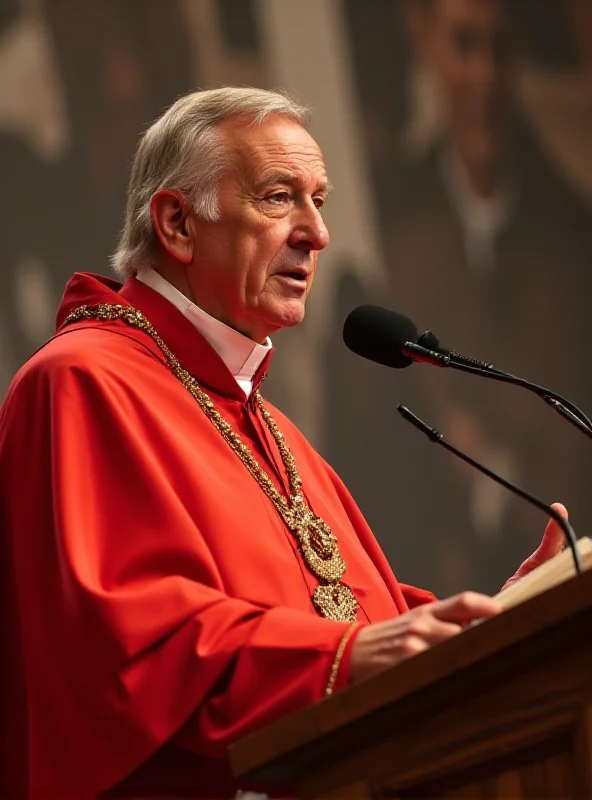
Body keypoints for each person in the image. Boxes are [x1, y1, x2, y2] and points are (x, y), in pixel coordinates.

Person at [0, 87, 566, 799]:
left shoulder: (274, 430)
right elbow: (134, 642)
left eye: (320, 201)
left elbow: (348, 620)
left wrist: (494, 628)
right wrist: (345, 656)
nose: (316, 233)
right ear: (177, 223)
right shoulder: (81, 383)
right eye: (278, 198)